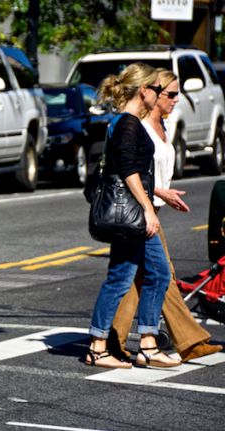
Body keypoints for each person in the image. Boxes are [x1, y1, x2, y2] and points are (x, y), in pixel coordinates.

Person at [108, 69, 222, 363]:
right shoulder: (139, 125)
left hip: (151, 210)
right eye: (170, 94)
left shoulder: (163, 125)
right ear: (152, 93)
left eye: (177, 94)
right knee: (160, 274)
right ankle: (177, 341)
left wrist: (160, 199)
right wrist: (159, 195)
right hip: (139, 211)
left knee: (139, 278)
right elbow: (129, 169)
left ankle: (113, 338)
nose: (175, 100)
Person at [84, 62, 179, 369]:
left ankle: (148, 344)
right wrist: (150, 208)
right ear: (144, 91)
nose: (159, 94)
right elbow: (129, 171)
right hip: (132, 217)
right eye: (156, 89)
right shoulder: (128, 123)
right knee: (120, 278)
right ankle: (98, 347)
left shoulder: (123, 122)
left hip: (135, 216)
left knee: (159, 273)